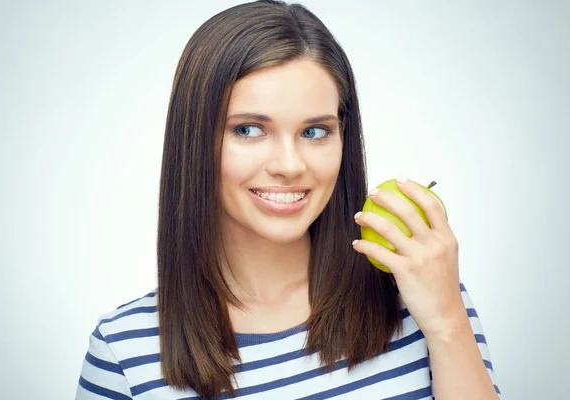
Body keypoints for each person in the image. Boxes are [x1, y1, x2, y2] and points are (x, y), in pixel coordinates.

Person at [76, 1, 500, 398]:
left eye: (314, 131)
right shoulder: (123, 352)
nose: (289, 164)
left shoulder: (424, 294)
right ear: (195, 140)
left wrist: (445, 322)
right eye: (248, 130)